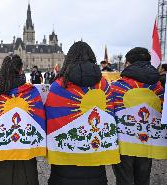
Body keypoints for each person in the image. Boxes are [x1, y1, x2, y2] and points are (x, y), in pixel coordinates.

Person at [45, 41, 120, 185]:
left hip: (64, 166)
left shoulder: (58, 86)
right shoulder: (103, 84)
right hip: (95, 161)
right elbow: (111, 115)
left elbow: (49, 116)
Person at [0, 55, 46, 185]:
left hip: (2, 155)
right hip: (26, 153)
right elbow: (40, 118)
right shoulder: (31, 91)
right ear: (21, 70)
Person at [111, 47, 167, 185]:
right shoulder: (159, 88)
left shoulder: (116, 87)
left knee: (124, 180)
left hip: (123, 145)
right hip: (147, 142)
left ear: (128, 64)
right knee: (143, 179)